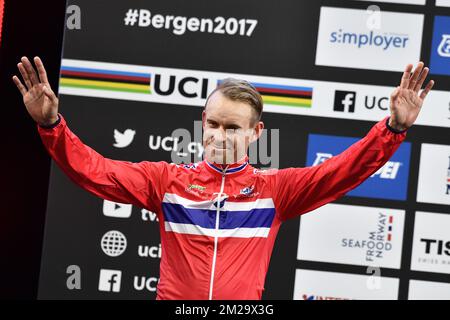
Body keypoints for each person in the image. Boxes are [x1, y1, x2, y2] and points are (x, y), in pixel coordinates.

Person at [13, 56, 434, 300]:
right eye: (213, 124)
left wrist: (392, 129)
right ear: (202, 122)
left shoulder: (274, 192)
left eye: (232, 128)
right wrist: (52, 125)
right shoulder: (167, 181)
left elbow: (340, 172)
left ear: (256, 133)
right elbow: (97, 171)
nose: (219, 136)